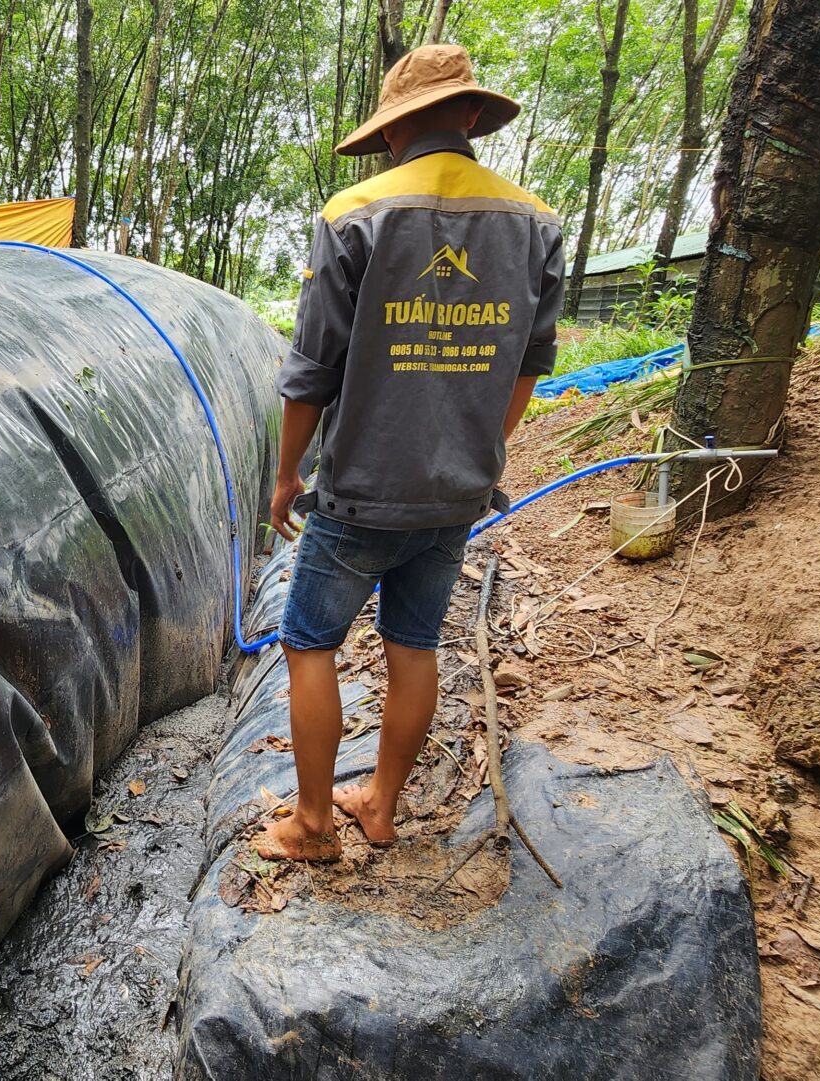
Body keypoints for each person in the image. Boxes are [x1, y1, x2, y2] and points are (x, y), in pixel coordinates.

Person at [257, 43, 564, 861]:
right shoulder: (535, 222)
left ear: (392, 132)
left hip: (361, 489)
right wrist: (481, 452)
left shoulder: (355, 214)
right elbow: (532, 362)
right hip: (456, 494)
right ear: (470, 116)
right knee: (413, 644)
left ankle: (314, 824)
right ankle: (381, 807)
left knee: (308, 642)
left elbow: (312, 369)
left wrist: (288, 475)